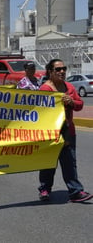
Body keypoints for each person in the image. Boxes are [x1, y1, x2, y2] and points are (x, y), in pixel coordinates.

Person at [37, 58, 92, 202]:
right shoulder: (45, 89)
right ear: (50, 72)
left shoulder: (69, 87)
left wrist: (71, 101)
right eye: (58, 69)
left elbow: (79, 104)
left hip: (68, 132)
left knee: (69, 163)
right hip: (50, 133)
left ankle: (75, 191)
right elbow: (40, 110)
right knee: (48, 162)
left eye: (64, 69)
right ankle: (44, 189)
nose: (62, 72)